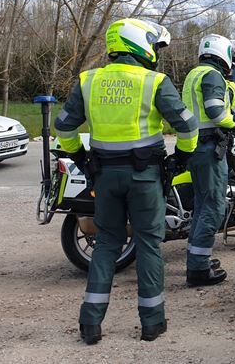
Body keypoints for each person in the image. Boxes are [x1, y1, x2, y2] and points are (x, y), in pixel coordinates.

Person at [55, 18, 199, 345]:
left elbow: (64, 128)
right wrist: (182, 158)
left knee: (107, 243)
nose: (156, 53)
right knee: (148, 243)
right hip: (146, 177)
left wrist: (80, 157)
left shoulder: (88, 81)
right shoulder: (154, 81)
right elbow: (188, 127)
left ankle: (90, 324)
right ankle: (152, 323)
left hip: (104, 176)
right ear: (139, 44)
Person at [181, 34, 235, 286]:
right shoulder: (213, 75)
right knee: (214, 207)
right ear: (223, 54)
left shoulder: (194, 73)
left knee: (202, 205)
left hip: (195, 145)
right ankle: (198, 269)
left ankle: (197, 260)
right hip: (209, 147)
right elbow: (216, 110)